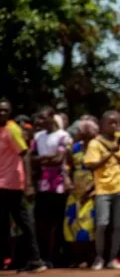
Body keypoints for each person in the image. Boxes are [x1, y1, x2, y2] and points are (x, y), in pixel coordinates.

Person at [0, 99, 46, 273]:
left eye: (5, 110)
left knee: (24, 222)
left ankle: (35, 259)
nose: (1, 113)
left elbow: (25, 154)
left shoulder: (12, 130)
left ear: (10, 113)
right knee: (3, 223)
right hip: (0, 183)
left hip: (12, 183)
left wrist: (28, 184)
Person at [84, 111, 120, 270]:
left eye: (116, 122)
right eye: (110, 122)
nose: (114, 126)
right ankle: (99, 257)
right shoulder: (95, 143)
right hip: (103, 188)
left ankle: (113, 258)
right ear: (102, 125)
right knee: (102, 223)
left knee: (119, 225)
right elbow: (91, 164)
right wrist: (111, 151)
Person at [31, 106, 72, 267]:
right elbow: (32, 158)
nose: (39, 121)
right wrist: (47, 157)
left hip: (59, 184)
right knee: (42, 223)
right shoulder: (38, 136)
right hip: (43, 184)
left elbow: (59, 159)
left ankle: (58, 256)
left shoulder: (63, 135)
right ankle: (44, 256)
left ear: (51, 117)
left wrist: (43, 159)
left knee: (58, 222)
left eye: (43, 118)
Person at [64, 118, 99, 268]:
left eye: (79, 131)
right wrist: (67, 180)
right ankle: (76, 258)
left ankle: (89, 258)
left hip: (92, 189)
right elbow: (67, 166)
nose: (76, 133)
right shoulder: (74, 147)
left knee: (88, 224)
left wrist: (90, 188)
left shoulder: (96, 147)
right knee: (72, 223)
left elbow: (100, 171)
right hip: (75, 191)